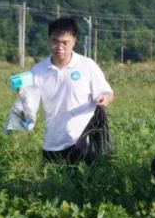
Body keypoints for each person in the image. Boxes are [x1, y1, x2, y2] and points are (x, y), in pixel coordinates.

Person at [29, 17, 114, 165]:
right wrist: (22, 93)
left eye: (65, 43)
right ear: (49, 40)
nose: (59, 47)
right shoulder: (38, 70)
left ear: (74, 41)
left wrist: (104, 98)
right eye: (55, 41)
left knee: (83, 183)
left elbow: (107, 92)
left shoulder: (87, 66)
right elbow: (30, 101)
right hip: (52, 142)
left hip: (82, 140)